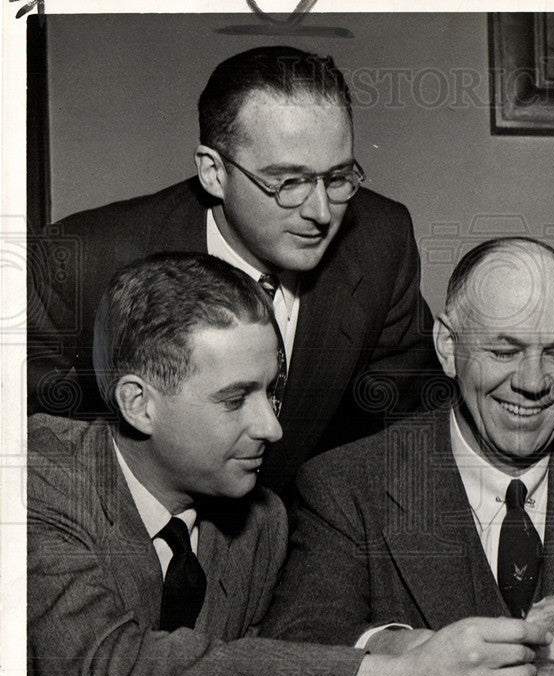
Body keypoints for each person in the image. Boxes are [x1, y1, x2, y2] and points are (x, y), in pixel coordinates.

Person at [28, 253, 548, 676]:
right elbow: (107, 670)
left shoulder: (260, 521)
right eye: (235, 400)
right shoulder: (36, 479)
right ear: (139, 404)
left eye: (271, 391)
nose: (273, 429)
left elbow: (257, 674)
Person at [260, 236, 554, 649]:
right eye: (504, 351)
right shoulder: (346, 486)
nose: (532, 382)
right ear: (448, 346)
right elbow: (299, 643)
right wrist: (405, 650)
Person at [27, 46, 440, 496]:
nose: (321, 212)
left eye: (337, 177)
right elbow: (29, 448)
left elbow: (407, 430)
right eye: (288, 182)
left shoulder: (381, 243)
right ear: (213, 172)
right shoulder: (82, 261)